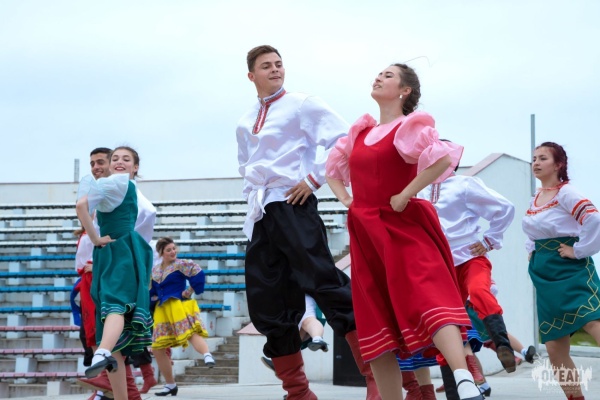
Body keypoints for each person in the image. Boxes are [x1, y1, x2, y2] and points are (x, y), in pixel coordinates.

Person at [326, 63, 483, 400]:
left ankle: (462, 376)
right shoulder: (359, 133)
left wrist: (406, 193)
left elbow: (442, 160)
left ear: (404, 91)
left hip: (402, 226)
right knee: (376, 321)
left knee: (428, 297)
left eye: (388, 75)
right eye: (379, 73)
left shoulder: (409, 126)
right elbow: (332, 171)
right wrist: (348, 201)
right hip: (366, 234)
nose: (379, 77)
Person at [236, 45, 380, 400]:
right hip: (261, 213)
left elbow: (345, 139)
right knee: (267, 300)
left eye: (278, 64)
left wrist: (314, 179)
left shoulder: (302, 103)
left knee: (323, 281)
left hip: (293, 203)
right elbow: (245, 167)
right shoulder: (244, 120)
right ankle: (298, 392)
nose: (275, 69)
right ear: (251, 75)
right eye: (266, 66)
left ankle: (376, 379)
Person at [417, 159, 518, 374]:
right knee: (445, 318)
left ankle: (503, 345)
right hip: (440, 264)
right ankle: (458, 379)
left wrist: (489, 241)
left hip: (470, 256)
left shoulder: (464, 184)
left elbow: (505, 207)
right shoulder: (420, 189)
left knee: (479, 291)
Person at [75, 146, 155, 400]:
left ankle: (106, 354)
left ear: (135, 166)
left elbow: (83, 207)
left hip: (109, 252)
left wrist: (96, 238)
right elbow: (81, 206)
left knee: (111, 312)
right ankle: (103, 352)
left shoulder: (112, 185)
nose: (119, 161)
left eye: (126, 159)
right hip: (122, 249)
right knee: (117, 307)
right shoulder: (119, 183)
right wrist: (96, 238)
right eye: (116, 158)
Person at [523, 142, 600, 400]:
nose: (536, 163)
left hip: (570, 269)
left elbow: (594, 219)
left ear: (558, 165)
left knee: (592, 321)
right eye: (534, 158)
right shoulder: (536, 197)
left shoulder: (566, 192)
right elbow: (533, 232)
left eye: (543, 158)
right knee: (555, 346)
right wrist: (532, 252)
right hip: (545, 275)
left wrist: (578, 251)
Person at [150, 237, 215, 396]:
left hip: (176, 305)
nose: (173, 252)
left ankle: (207, 355)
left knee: (189, 332)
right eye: (169, 250)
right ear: (161, 253)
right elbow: (152, 291)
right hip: (162, 310)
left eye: (174, 248)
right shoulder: (155, 270)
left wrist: (189, 291)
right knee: (157, 348)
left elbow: (197, 272)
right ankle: (170, 384)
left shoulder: (181, 264)